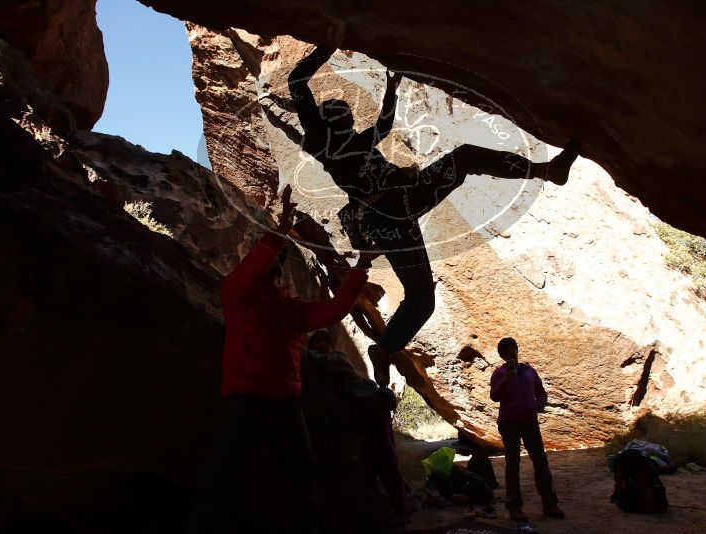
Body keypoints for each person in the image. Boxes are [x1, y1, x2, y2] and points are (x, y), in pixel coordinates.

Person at [288, 31, 581, 387]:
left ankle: (545, 171)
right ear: (324, 119)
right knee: (423, 298)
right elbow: (297, 79)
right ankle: (384, 350)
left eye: (347, 111)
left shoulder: (357, 140)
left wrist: (391, 89)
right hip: (388, 215)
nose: (347, 114)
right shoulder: (321, 140)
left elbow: (382, 125)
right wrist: (330, 41)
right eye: (338, 111)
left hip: (404, 200)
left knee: (465, 158)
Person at [189, 185, 379, 534]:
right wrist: (278, 233)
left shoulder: (290, 310)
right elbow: (248, 272)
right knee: (224, 478)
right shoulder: (237, 296)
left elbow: (335, 309)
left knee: (300, 476)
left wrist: (362, 264)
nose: (278, 272)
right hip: (245, 402)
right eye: (275, 267)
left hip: (284, 405)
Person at [303, 330, 409, 525]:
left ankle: (400, 508)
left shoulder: (336, 358)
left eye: (326, 342)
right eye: (318, 341)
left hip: (375, 408)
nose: (323, 345)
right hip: (365, 410)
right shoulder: (316, 369)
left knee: (385, 456)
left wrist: (305, 353)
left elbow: (328, 364)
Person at [489, 337, 564, 522]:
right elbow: (494, 396)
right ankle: (515, 507)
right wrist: (505, 379)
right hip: (508, 423)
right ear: (501, 355)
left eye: (511, 349)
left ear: (516, 349)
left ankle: (550, 504)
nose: (509, 353)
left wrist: (539, 404)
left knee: (540, 462)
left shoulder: (530, 371)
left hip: (530, 421)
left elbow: (541, 392)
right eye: (505, 351)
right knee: (512, 464)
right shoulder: (499, 373)